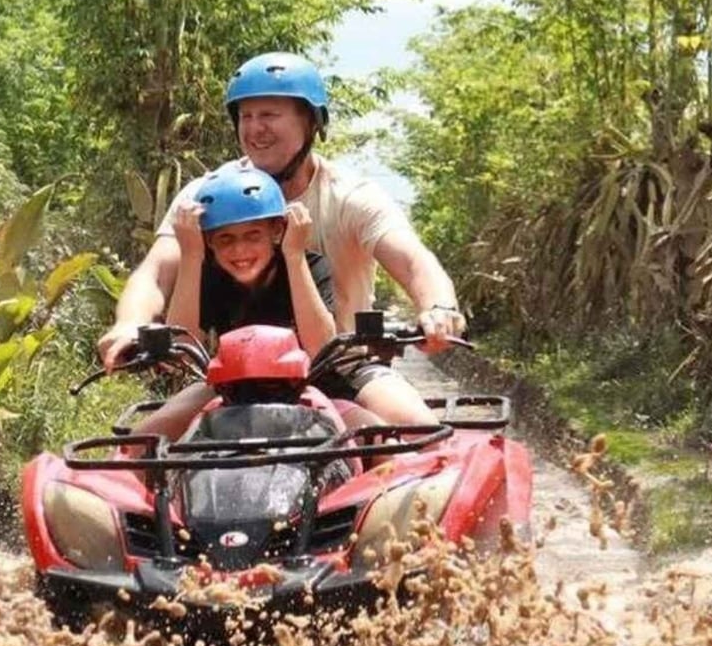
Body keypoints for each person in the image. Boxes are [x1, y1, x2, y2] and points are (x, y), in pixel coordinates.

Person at [99, 51, 465, 425]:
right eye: (246, 116)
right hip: (237, 375)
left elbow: (412, 260)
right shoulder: (210, 194)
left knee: (418, 431)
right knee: (141, 447)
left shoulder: (351, 196)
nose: (255, 128)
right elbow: (156, 273)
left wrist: (438, 308)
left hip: (345, 368)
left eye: (270, 115)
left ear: (310, 121)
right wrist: (129, 323)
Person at [133, 165, 337, 440]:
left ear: (277, 230)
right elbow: (183, 348)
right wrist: (192, 255)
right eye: (225, 239)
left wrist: (294, 256)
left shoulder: (307, 264)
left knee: (372, 431)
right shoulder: (206, 273)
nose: (239, 251)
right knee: (140, 439)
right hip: (229, 387)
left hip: (307, 384)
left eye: (253, 235)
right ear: (209, 242)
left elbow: (320, 348)